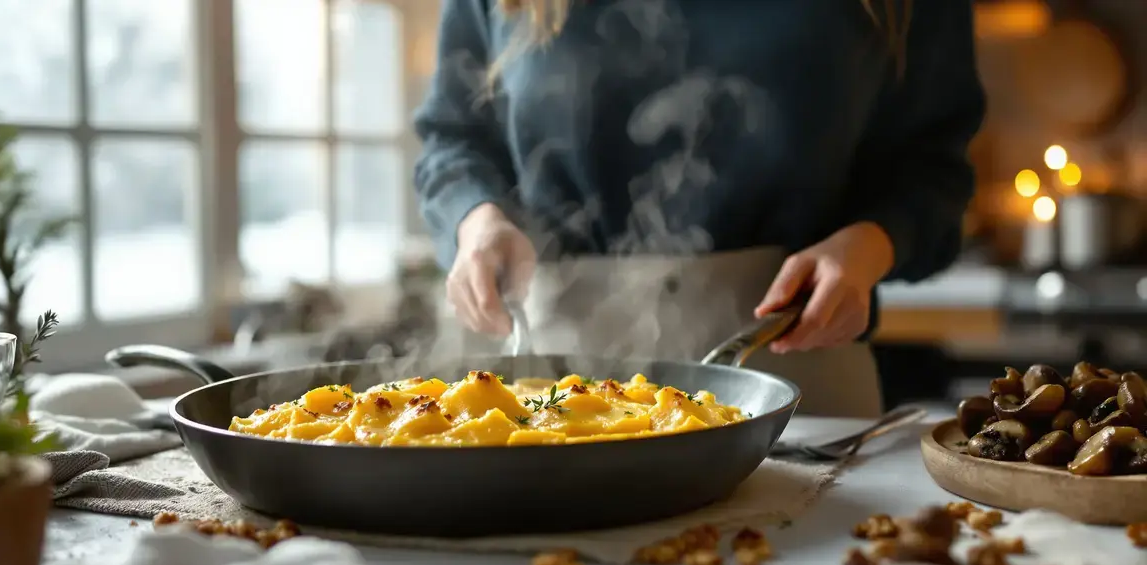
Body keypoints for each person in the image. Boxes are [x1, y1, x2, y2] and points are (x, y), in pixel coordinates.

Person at [413, 0, 985, 418]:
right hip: (548, 362)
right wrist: (476, 219)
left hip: (790, 361)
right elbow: (454, 139)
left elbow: (931, 168)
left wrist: (868, 246)